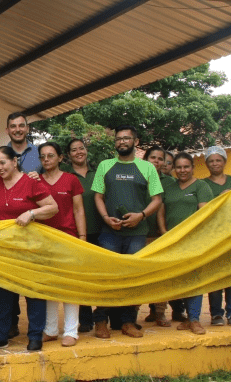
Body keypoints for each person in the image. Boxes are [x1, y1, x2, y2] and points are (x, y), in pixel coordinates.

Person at [91, 125, 163, 339]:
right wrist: (106, 218)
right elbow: (98, 196)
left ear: (136, 142)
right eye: (118, 139)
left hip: (137, 233)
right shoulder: (105, 165)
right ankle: (101, 321)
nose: (122, 142)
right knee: (107, 277)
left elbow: (157, 200)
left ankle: (128, 322)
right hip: (109, 231)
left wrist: (141, 215)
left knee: (132, 278)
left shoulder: (147, 168)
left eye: (126, 138)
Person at [0, 146, 58, 351]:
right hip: (4, 249)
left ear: (15, 162)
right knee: (4, 293)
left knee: (33, 292)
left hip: (30, 248)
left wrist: (31, 213)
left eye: (3, 162)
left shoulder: (30, 182)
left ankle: (35, 336)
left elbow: (52, 207)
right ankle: (1, 335)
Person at [157, 152, 213, 335]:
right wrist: (164, 232)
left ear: (192, 167)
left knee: (194, 279)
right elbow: (161, 211)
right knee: (178, 280)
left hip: (193, 241)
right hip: (172, 241)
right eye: (178, 167)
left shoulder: (201, 186)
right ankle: (187, 317)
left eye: (186, 166)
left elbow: (204, 214)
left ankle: (195, 319)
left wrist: (188, 235)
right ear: (174, 168)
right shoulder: (170, 187)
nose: (182, 170)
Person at [38, 142, 85, 347]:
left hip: (68, 237)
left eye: (50, 155)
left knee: (69, 286)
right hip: (44, 240)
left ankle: (71, 331)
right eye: (43, 156)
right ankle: (50, 329)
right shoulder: (35, 181)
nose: (46, 159)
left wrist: (82, 238)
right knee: (49, 286)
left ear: (60, 158)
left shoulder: (71, 179)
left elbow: (78, 210)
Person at [5, 112, 41, 337]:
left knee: (32, 281)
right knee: (9, 281)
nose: (17, 129)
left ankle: (36, 330)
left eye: (21, 126)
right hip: (9, 228)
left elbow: (50, 186)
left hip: (34, 226)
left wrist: (40, 179)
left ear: (27, 128)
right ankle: (11, 325)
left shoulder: (40, 154)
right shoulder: (3, 154)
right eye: (12, 126)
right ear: (7, 130)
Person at [141, 146, 184, 326]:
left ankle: (159, 313)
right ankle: (132, 313)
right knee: (140, 277)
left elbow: (167, 206)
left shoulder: (170, 182)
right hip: (139, 233)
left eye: (161, 159)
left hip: (162, 235)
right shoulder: (137, 177)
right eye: (153, 158)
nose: (157, 162)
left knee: (161, 277)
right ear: (146, 159)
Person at [203, 145, 231, 326]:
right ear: (206, 164)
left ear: (225, 162)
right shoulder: (202, 184)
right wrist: (220, 198)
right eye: (211, 161)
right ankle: (216, 314)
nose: (215, 163)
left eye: (218, 160)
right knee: (214, 276)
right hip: (212, 236)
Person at [64, 138, 100, 333]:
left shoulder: (99, 174)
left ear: (86, 151)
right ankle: (85, 320)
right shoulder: (66, 176)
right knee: (81, 279)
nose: (78, 152)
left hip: (101, 231)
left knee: (103, 278)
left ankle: (105, 317)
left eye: (81, 148)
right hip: (77, 234)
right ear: (68, 155)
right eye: (73, 150)